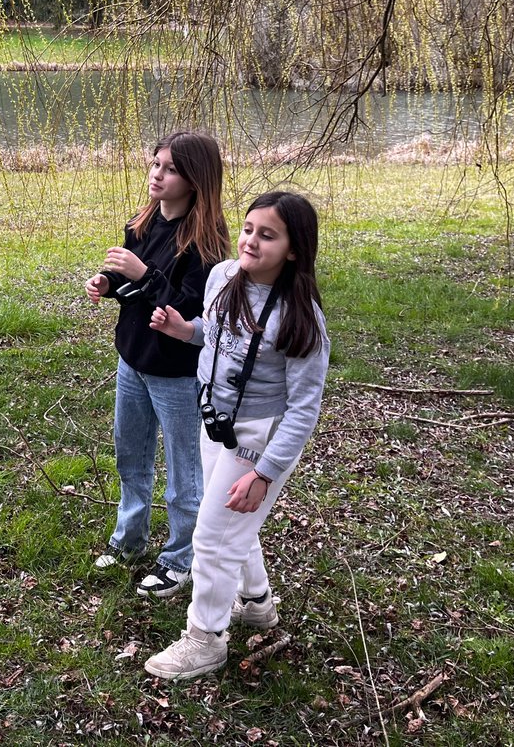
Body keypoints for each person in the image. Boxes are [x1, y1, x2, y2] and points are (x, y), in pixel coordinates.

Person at [142, 191, 330, 680]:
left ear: (294, 249)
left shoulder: (301, 317)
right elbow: (218, 331)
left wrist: (265, 473)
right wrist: (186, 330)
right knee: (229, 523)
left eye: (267, 235)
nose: (250, 240)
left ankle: (205, 639)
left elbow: (304, 408)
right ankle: (258, 604)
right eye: (248, 229)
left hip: (259, 436)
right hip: (216, 420)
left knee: (213, 537)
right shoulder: (223, 276)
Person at [84, 131, 230, 598]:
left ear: (196, 179)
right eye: (155, 164)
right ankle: (129, 539)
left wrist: (143, 275)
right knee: (131, 455)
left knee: (184, 472)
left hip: (178, 373)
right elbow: (132, 286)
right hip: (134, 360)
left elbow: (190, 314)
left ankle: (181, 558)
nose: (157, 174)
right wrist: (108, 282)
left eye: (169, 168)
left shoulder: (205, 245)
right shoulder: (142, 223)